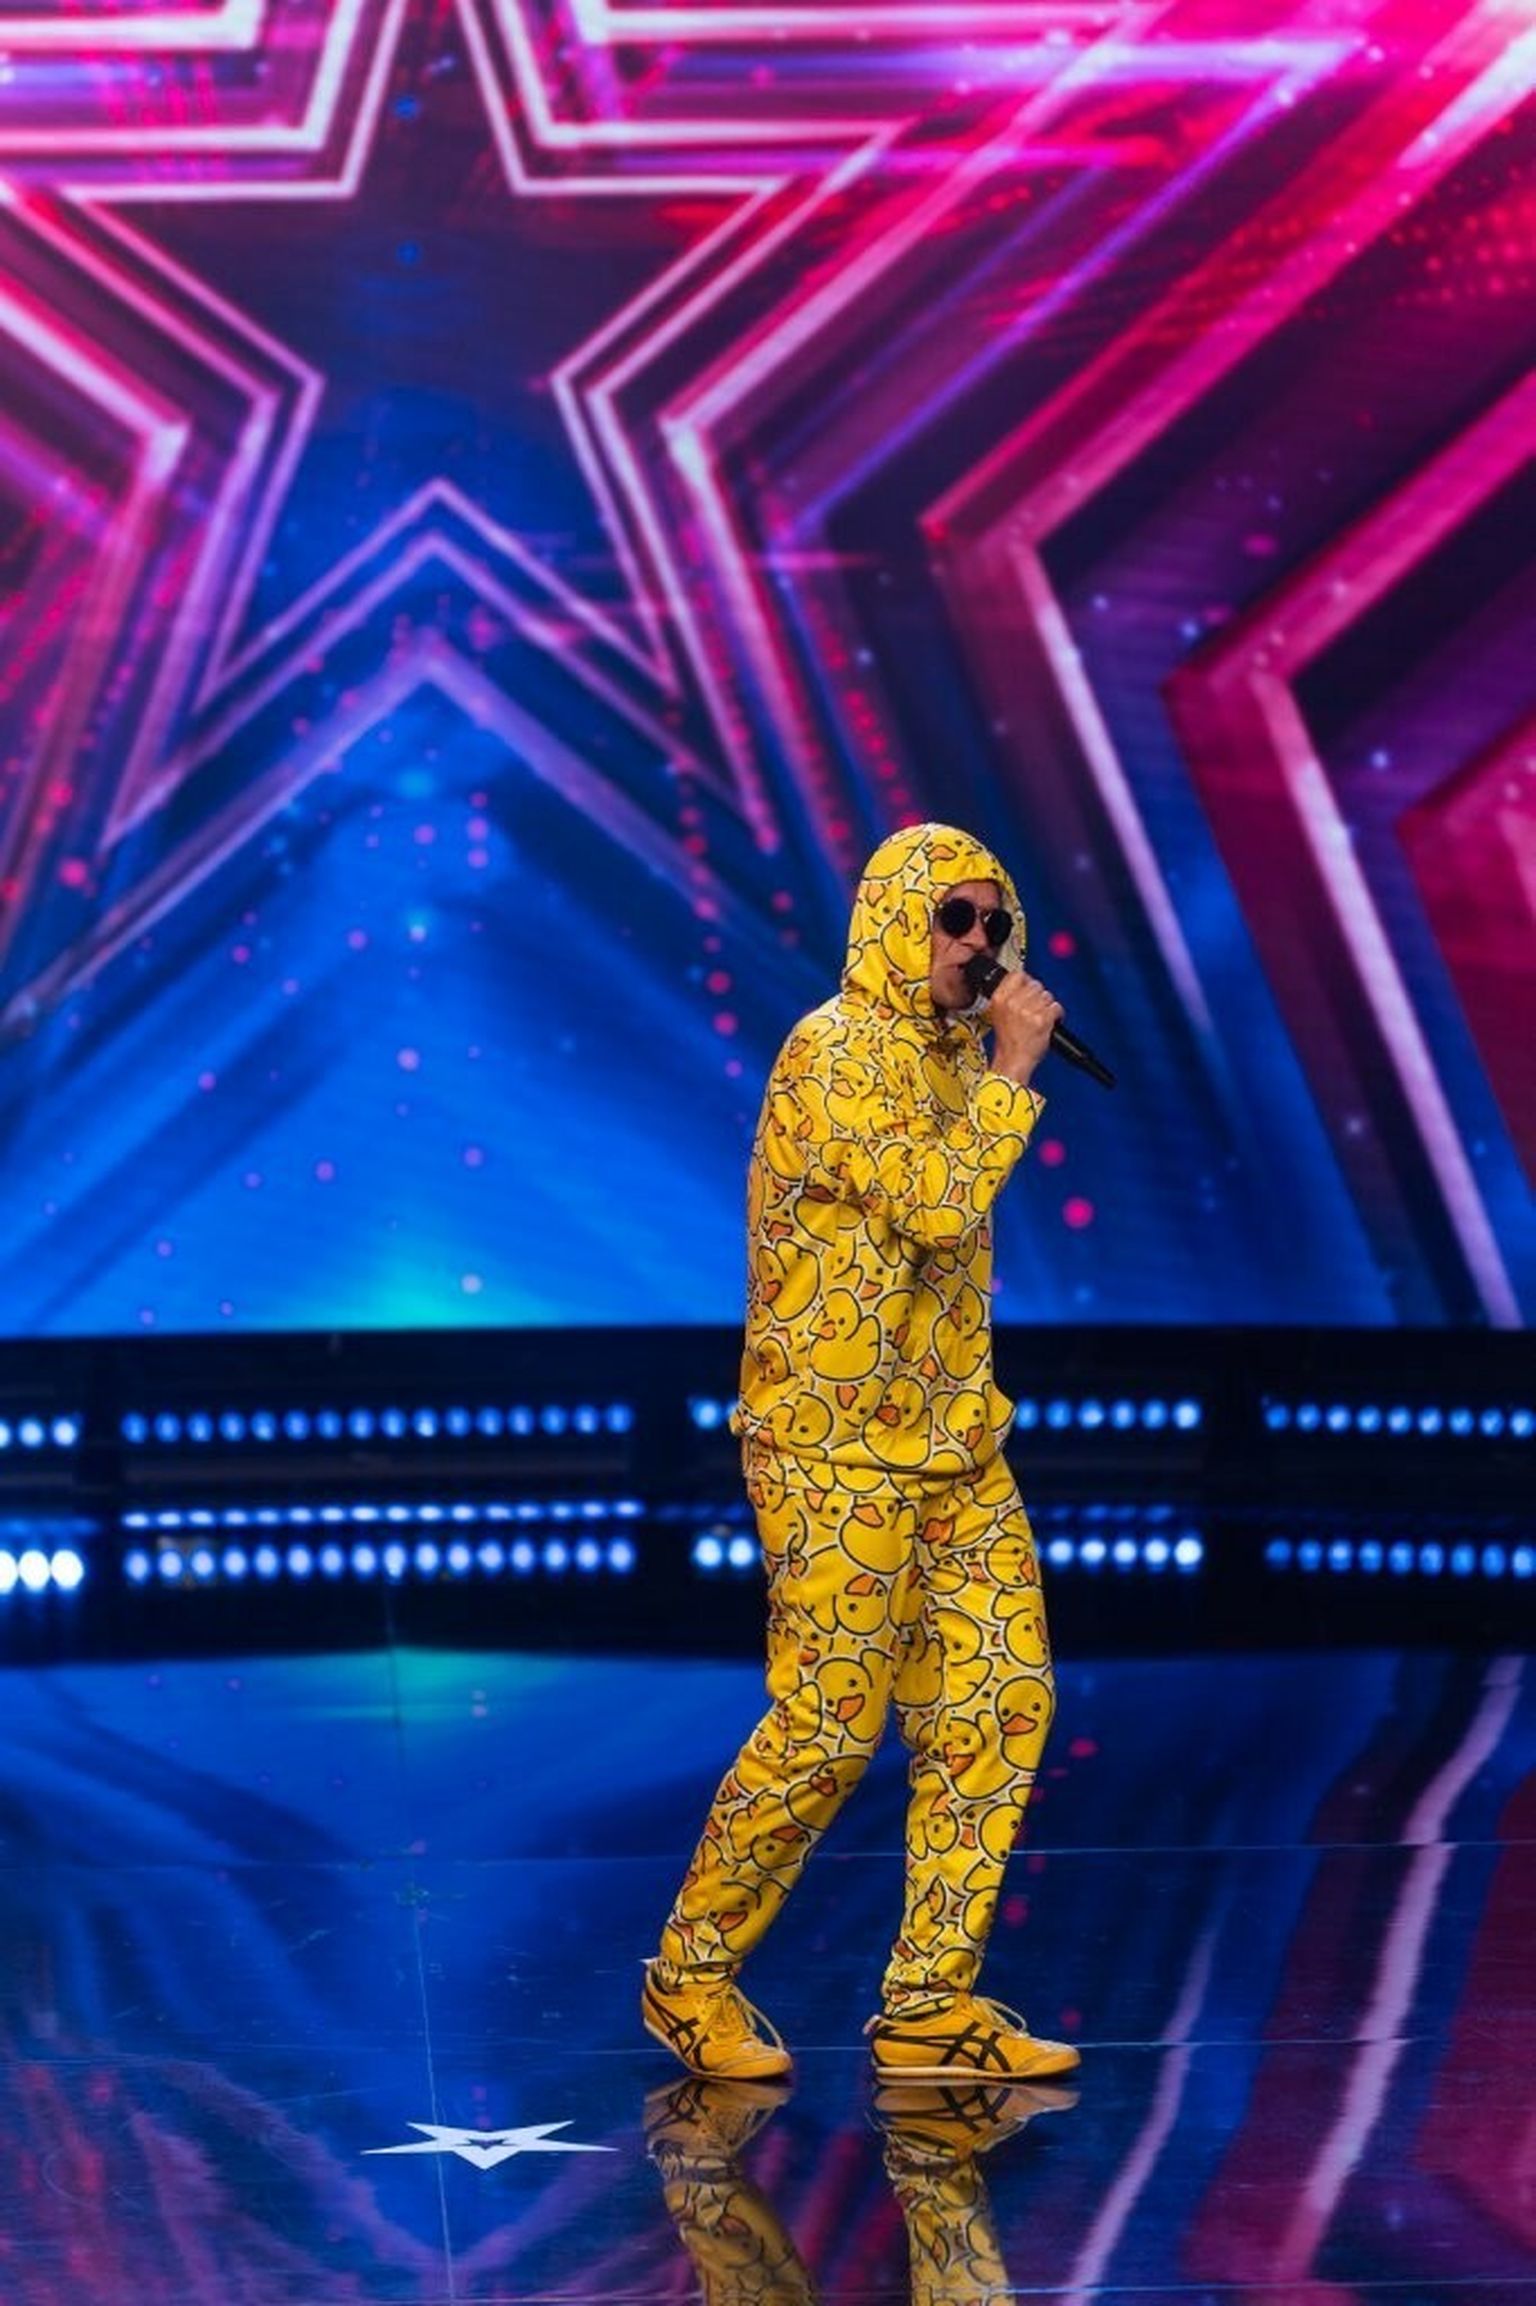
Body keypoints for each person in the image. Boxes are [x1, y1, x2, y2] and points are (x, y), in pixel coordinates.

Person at [643, 822, 1079, 2085]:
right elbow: (937, 1203)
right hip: (832, 1450)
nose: (979, 944)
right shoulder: (831, 1051)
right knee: (831, 1727)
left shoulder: (956, 1057)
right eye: (955, 918)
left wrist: (993, 1068)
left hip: (955, 1443)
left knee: (999, 1701)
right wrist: (1016, 1070)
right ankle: (689, 1973)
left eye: (995, 922)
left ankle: (930, 2001)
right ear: (895, 921)